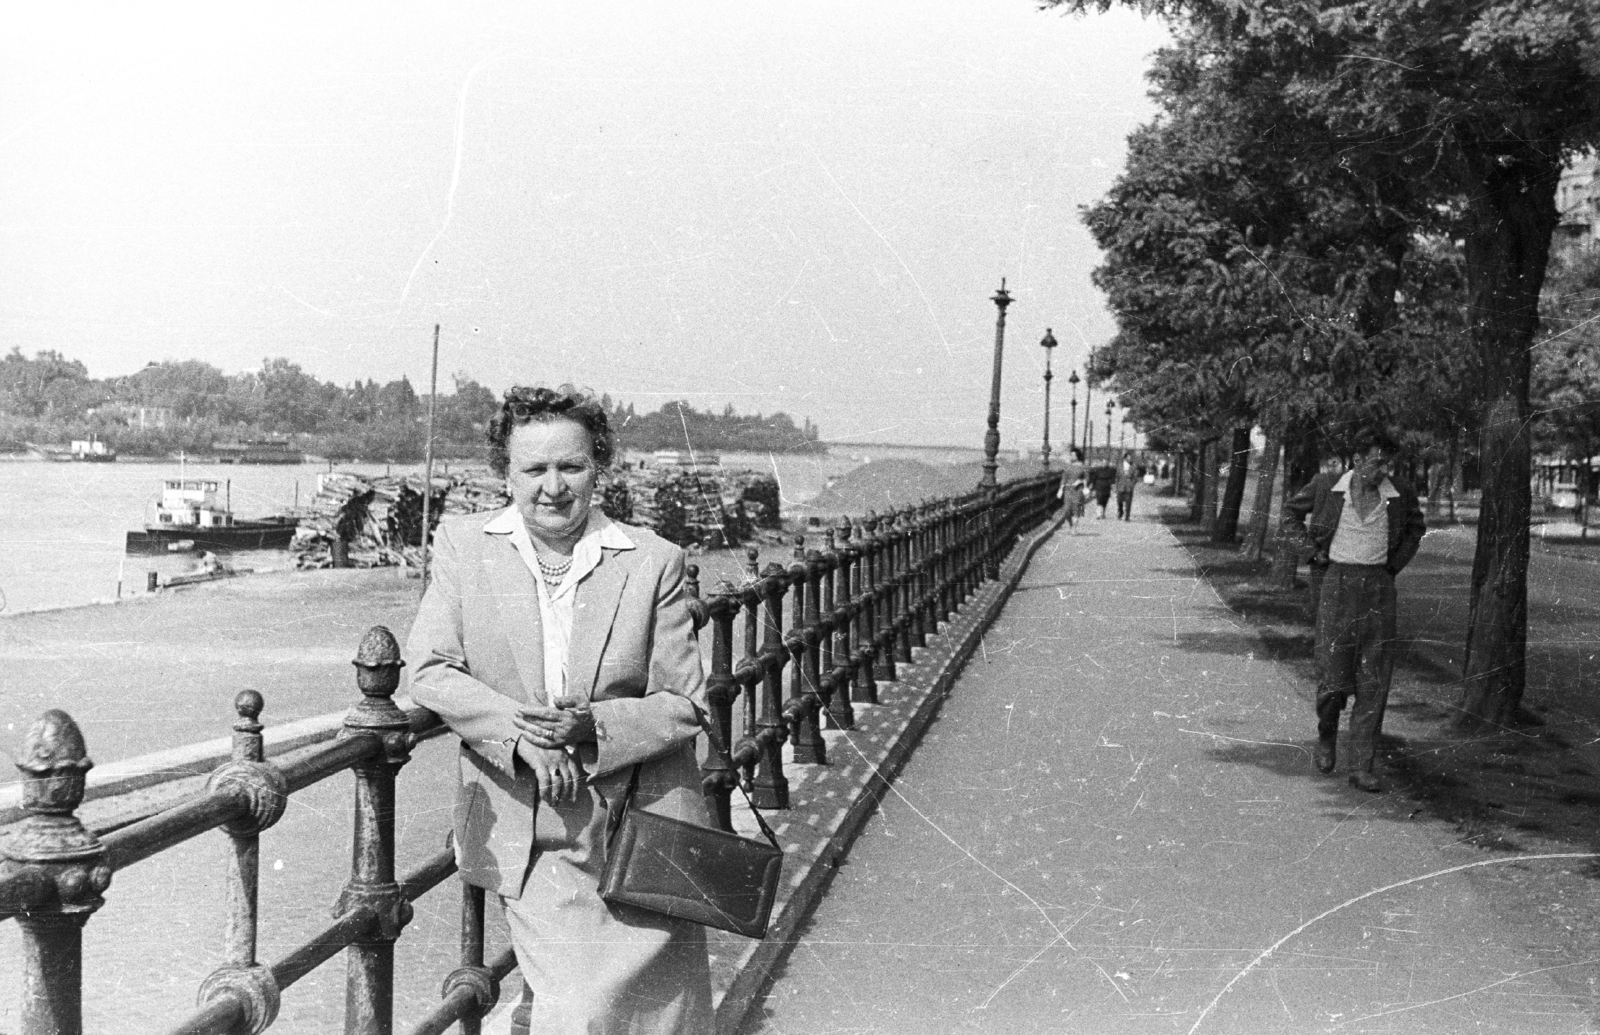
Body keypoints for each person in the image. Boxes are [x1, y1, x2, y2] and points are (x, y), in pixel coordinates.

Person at [406, 384, 714, 1034]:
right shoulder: (466, 546)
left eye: (570, 466)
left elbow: (685, 702)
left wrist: (593, 725)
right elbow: (429, 668)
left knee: (666, 1016)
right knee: (579, 1011)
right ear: (505, 473)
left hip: (642, 825)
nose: (553, 485)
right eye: (534, 468)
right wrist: (525, 738)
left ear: (599, 466)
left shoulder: (652, 561)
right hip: (533, 826)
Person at [1282, 424, 1425, 793]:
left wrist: (1394, 565)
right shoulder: (1328, 488)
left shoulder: (1400, 494)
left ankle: (1362, 766)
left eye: (1388, 465)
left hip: (1379, 588)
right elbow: (1289, 516)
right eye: (1377, 463)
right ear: (1357, 460)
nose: (1383, 472)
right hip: (1336, 585)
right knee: (1332, 679)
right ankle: (1327, 733)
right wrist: (1312, 552)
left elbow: (1415, 529)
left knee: (1374, 681)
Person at [1056, 447, 1087, 529]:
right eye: (1071, 455)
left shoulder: (1083, 467)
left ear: (1077, 456)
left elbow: (1087, 478)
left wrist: (1080, 481)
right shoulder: (1068, 466)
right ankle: (1071, 524)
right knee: (1067, 510)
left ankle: (1074, 528)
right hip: (1068, 490)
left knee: (1076, 509)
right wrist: (1060, 489)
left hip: (1078, 490)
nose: (1072, 457)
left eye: (1073, 455)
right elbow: (1064, 478)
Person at [1114, 452, 1138, 520]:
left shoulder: (1134, 466)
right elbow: (1117, 477)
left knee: (1128, 502)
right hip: (1120, 486)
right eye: (1129, 457)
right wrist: (1116, 485)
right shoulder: (1120, 466)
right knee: (1119, 501)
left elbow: (1135, 477)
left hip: (1129, 486)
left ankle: (1127, 516)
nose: (1130, 459)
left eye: (1131, 457)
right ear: (1125, 458)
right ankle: (1120, 511)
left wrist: (1132, 484)